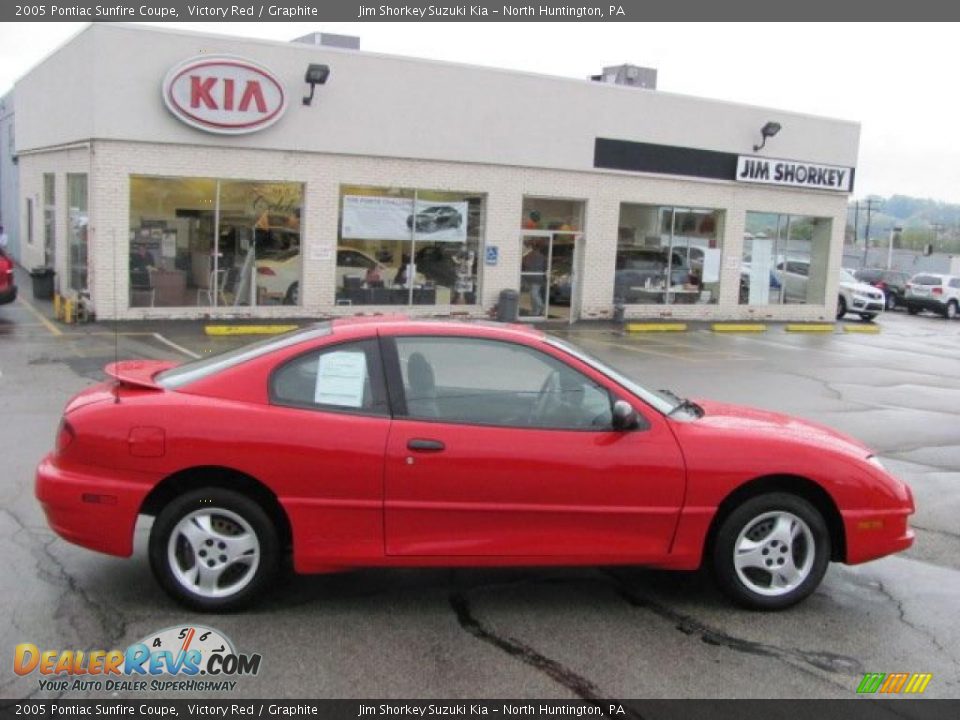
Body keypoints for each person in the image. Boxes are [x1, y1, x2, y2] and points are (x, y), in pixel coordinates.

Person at [522, 242, 547, 315]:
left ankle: (540, 306)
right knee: (535, 294)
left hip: (536, 279)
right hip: (533, 278)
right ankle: (535, 311)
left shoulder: (535, 257)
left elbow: (525, 265)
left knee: (534, 294)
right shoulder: (530, 256)